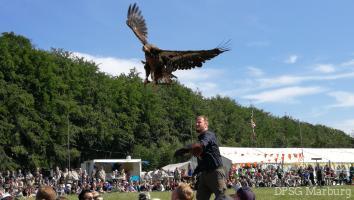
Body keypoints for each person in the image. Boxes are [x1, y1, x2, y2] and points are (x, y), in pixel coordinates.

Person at [175, 115, 227, 200]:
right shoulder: (199, 141)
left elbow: (203, 144)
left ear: (206, 124)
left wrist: (187, 148)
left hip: (215, 172)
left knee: (221, 198)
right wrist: (195, 173)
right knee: (200, 198)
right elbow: (203, 160)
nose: (196, 124)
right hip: (204, 174)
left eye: (199, 122)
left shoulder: (209, 135)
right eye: (196, 122)